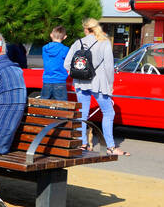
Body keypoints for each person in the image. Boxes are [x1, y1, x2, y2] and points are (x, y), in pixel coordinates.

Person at [64, 17, 126, 156]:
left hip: (81, 83)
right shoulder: (104, 43)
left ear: (86, 29)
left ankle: (83, 144)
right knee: (108, 113)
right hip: (99, 83)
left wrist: (79, 74)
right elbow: (109, 67)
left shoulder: (77, 43)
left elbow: (67, 64)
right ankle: (110, 146)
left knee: (83, 113)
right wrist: (110, 85)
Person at [41, 26, 70, 102]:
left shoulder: (45, 48)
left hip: (47, 80)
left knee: (43, 105)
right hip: (60, 80)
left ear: (51, 35)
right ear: (65, 37)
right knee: (62, 106)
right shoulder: (65, 49)